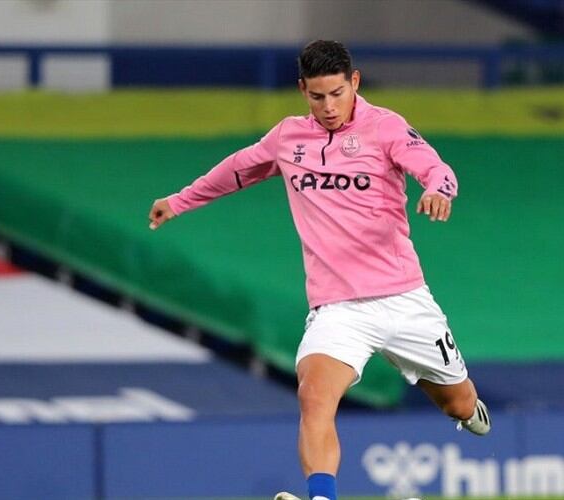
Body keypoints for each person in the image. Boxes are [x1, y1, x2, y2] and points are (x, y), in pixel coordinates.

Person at [148, 40, 490, 500]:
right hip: (337, 309)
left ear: (355, 82)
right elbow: (236, 170)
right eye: (316, 97)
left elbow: (435, 167)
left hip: (403, 300)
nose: (328, 107)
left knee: (458, 402)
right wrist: (178, 201)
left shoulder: (385, 127)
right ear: (302, 90)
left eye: (336, 93)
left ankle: (468, 411)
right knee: (314, 396)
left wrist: (439, 190)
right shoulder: (289, 138)